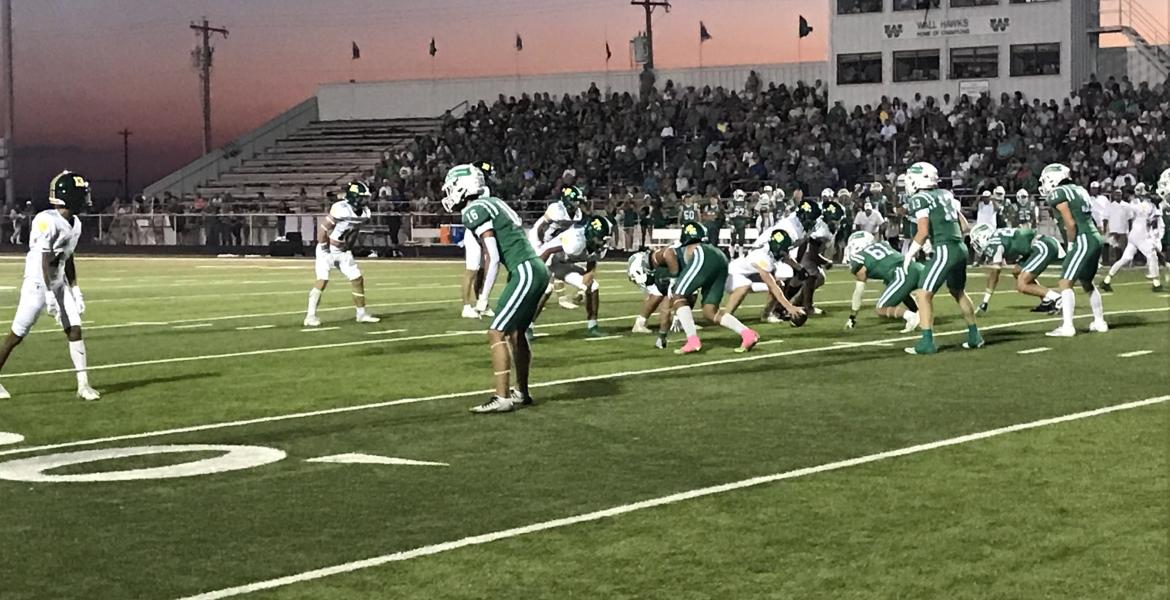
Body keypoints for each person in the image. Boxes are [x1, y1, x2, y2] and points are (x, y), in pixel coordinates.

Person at [443, 164, 550, 413]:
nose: (449, 193)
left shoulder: (474, 210)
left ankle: (502, 397)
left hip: (524, 270)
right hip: (534, 268)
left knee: (496, 333)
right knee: (516, 333)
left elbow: (491, 255)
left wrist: (482, 298)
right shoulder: (494, 202)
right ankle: (521, 392)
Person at [0, 171, 100, 401]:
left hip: (58, 282)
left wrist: (75, 288)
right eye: (82, 194)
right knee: (16, 335)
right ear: (71, 196)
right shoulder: (46, 221)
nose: (86, 198)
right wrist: (48, 294)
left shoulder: (75, 223)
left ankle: (83, 385)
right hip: (37, 285)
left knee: (74, 328)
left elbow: (68, 256)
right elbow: (45, 259)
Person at [635, 222, 758, 355]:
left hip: (702, 255)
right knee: (710, 312)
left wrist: (674, 280)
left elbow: (668, 254)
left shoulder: (662, 255)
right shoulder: (697, 248)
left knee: (678, 295)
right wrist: (662, 336)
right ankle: (747, 334)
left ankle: (692, 341)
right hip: (720, 257)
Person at [902, 162, 982, 355]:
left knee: (923, 294)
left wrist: (909, 254)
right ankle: (974, 336)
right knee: (958, 291)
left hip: (945, 248)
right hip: (960, 248)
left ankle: (927, 342)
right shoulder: (946, 195)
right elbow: (964, 226)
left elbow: (921, 232)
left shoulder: (920, 198)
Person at [1039, 163, 1108, 337]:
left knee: (1064, 282)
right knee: (1086, 282)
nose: (1044, 185)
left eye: (1046, 180)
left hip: (1082, 238)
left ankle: (1068, 326)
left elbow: (1070, 223)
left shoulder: (1058, 193)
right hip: (1093, 237)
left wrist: (1071, 245)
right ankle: (1099, 322)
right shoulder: (1079, 189)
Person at [303, 182, 381, 327]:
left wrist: (349, 247)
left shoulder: (364, 213)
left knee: (357, 279)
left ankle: (361, 314)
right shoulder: (341, 208)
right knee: (322, 280)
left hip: (342, 251)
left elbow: (354, 231)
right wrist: (325, 249)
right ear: (354, 197)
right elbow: (322, 230)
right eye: (362, 197)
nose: (365, 201)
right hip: (327, 249)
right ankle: (310, 316)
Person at [534, 215, 612, 337]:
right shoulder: (576, 241)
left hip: (562, 264)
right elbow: (548, 251)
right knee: (547, 289)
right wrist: (536, 270)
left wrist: (584, 288)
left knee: (593, 287)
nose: (603, 242)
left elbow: (591, 264)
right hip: (547, 258)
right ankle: (528, 327)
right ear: (591, 235)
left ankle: (593, 326)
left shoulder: (597, 246)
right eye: (600, 238)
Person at [968, 224, 1065, 314]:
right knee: (1017, 271)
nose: (976, 246)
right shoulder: (997, 235)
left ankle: (1058, 298)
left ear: (983, 237)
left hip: (1042, 246)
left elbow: (995, 272)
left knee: (1022, 285)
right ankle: (1046, 300)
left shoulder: (993, 244)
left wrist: (985, 300)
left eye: (976, 241)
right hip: (1039, 245)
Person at [842, 231, 920, 333]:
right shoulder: (883, 245)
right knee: (891, 284)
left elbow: (859, 290)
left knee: (881, 309)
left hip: (901, 273)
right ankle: (918, 312)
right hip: (916, 267)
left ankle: (911, 316)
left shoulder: (859, 258)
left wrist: (852, 317)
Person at [1101, 182, 1163, 292]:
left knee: (1125, 259)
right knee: (1152, 256)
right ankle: (1156, 284)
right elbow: (1153, 218)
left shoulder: (1133, 203)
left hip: (1133, 234)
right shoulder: (1145, 205)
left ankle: (1106, 280)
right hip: (1141, 235)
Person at [728, 189, 752, 258]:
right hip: (734, 224)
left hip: (742, 224)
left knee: (741, 240)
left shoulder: (745, 203)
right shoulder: (732, 203)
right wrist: (731, 223)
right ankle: (731, 256)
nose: (740, 197)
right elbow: (729, 214)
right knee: (733, 240)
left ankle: (740, 255)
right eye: (739, 195)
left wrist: (740, 215)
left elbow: (748, 215)